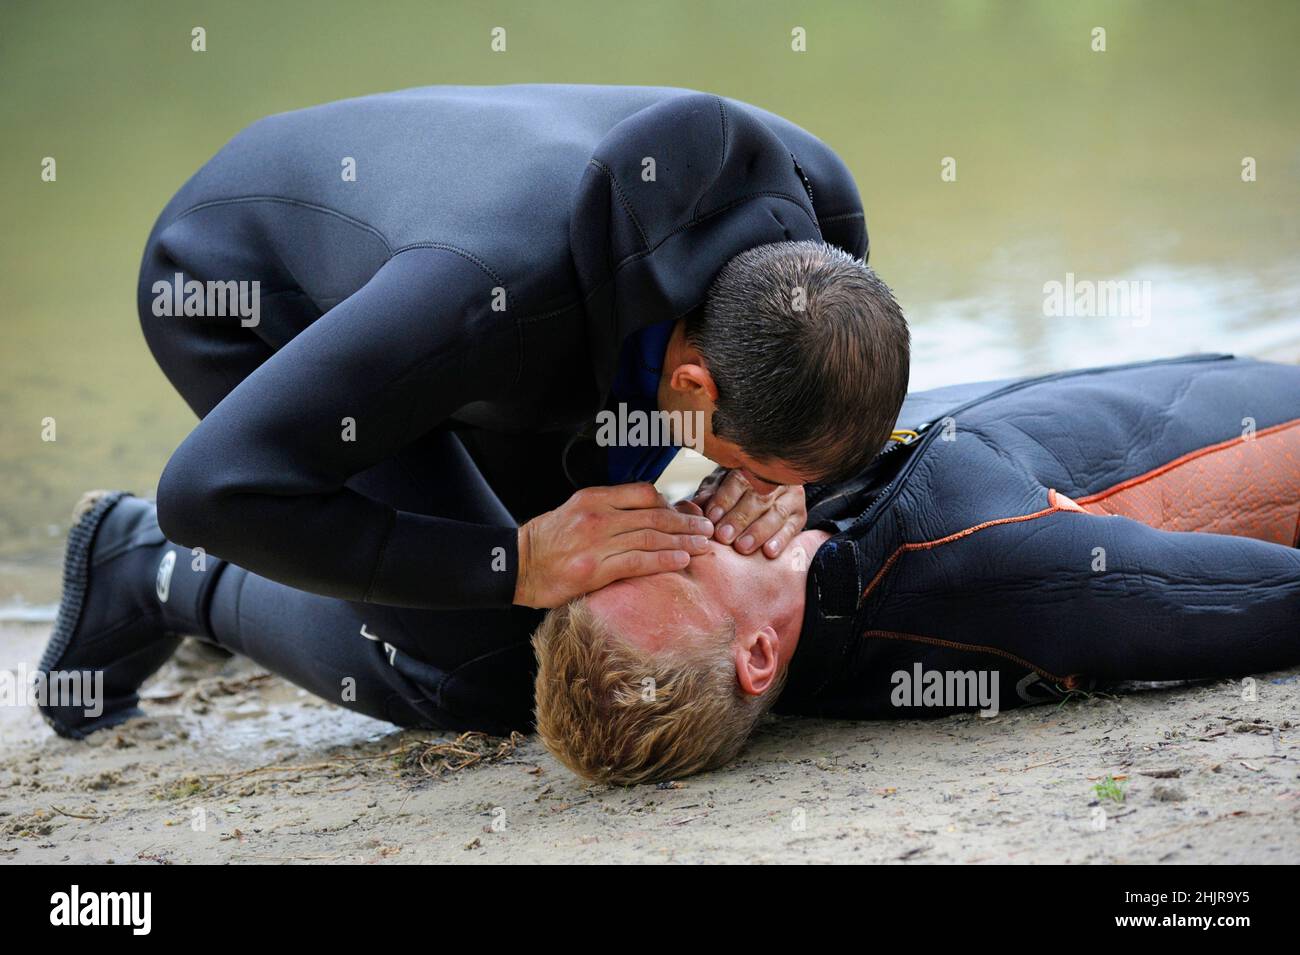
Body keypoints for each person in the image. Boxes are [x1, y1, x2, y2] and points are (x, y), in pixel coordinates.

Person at [36, 85, 912, 738]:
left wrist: (792, 482)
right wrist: (516, 561)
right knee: (493, 667)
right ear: (694, 386)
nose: (757, 495)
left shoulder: (818, 222)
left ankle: (332, 591)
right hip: (246, 289)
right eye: (757, 472)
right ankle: (149, 569)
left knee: (586, 581)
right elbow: (210, 490)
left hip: (476, 296)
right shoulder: (487, 305)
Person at [533, 354, 1300, 785]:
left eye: (622, 554)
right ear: (759, 654)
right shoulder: (989, 576)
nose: (673, 522)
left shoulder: (781, 508)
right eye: (677, 567)